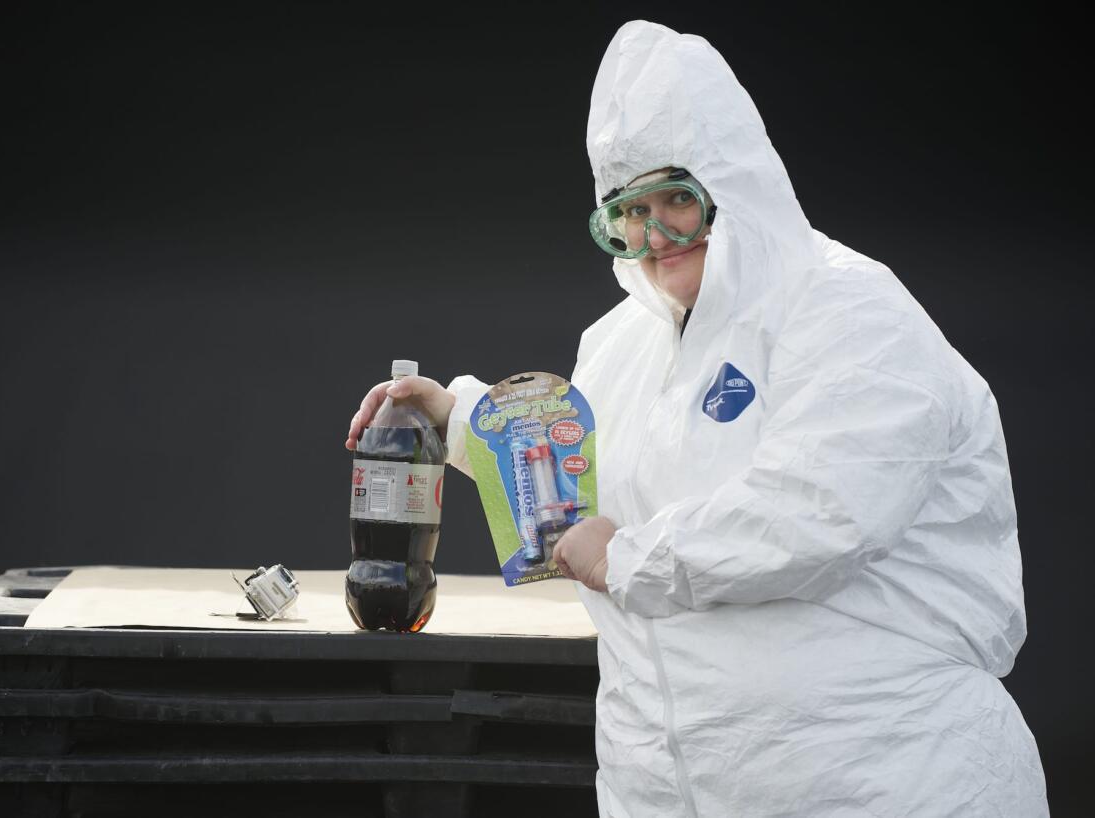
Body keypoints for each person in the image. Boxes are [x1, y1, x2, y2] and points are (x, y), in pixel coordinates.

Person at [345, 20, 1048, 817]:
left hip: (882, 777)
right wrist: (457, 414)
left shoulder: (848, 313)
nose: (656, 235)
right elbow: (576, 474)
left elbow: (822, 513)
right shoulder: (620, 346)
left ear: (734, 187)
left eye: (678, 199)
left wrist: (631, 559)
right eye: (630, 211)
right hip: (668, 787)